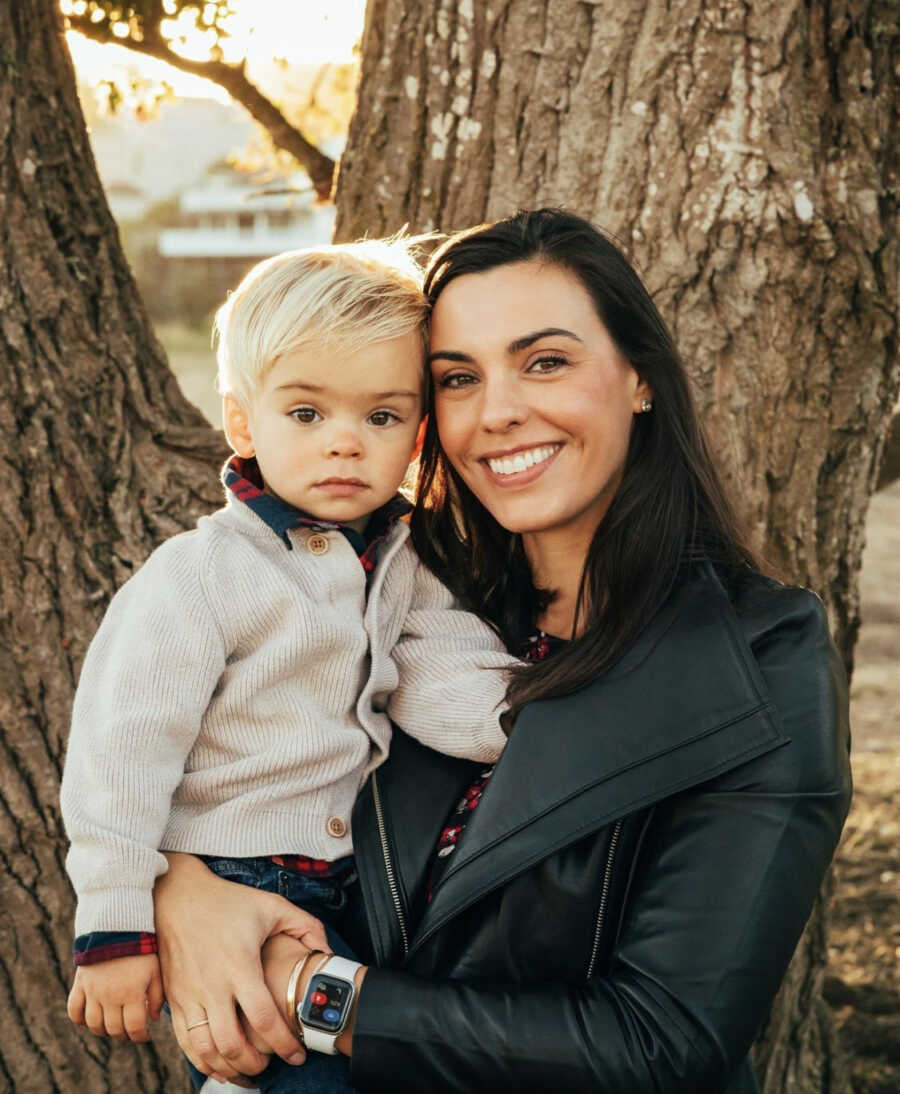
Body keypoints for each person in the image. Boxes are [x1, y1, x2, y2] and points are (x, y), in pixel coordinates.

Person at [153, 209, 852, 1094]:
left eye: (546, 361)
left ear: (640, 377)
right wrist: (181, 887)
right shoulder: (384, 597)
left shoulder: (758, 654)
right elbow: (221, 758)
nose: (499, 413)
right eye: (457, 378)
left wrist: (320, 996)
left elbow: (661, 1040)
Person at [60, 239, 516, 1091]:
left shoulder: (404, 560)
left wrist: (531, 720)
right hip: (234, 873)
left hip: (356, 883)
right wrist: (116, 927)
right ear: (245, 423)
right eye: (307, 415)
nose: (345, 444)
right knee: (283, 1066)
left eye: (380, 418)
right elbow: (121, 754)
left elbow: (440, 664)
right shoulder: (205, 573)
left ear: (417, 433)